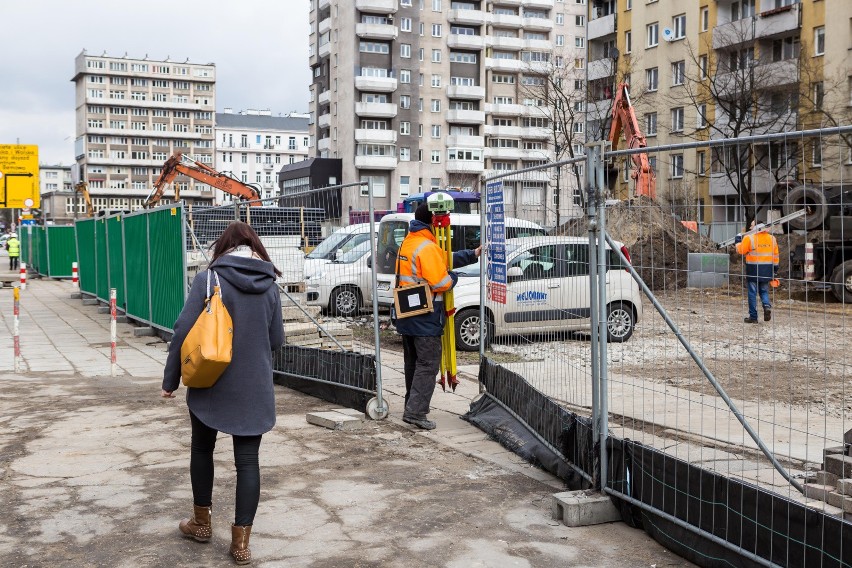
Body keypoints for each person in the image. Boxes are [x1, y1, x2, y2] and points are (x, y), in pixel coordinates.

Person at [161, 221, 284, 566]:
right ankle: (241, 544)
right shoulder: (270, 285)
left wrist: (171, 379)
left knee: (202, 448)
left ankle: (201, 524)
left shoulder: (209, 279)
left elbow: (183, 331)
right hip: (254, 386)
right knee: (248, 462)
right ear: (256, 247)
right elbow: (276, 341)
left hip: (209, 382)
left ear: (223, 247)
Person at [393, 204, 480, 430]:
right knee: (428, 363)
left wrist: (473, 254)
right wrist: (453, 277)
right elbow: (442, 282)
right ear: (433, 220)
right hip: (426, 316)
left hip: (407, 314)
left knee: (413, 363)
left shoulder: (410, 241)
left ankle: (410, 406)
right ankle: (416, 412)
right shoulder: (427, 247)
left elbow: (444, 257)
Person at [735, 220, 779, 324]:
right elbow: (776, 256)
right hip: (767, 270)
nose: (750, 228)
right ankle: (767, 306)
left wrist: (737, 240)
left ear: (756, 227)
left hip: (753, 270)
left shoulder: (749, 238)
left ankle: (753, 317)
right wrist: (775, 270)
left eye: (751, 225)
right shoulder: (772, 239)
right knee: (764, 291)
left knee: (752, 293)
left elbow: (741, 251)